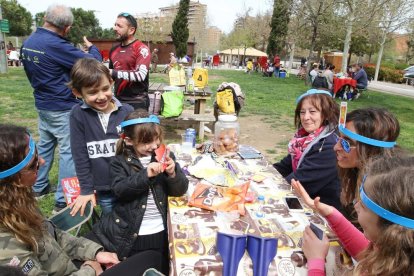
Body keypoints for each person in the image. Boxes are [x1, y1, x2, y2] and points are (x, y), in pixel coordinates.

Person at [0, 124, 164, 275]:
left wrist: (95, 253)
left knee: (151, 257)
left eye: (37, 154)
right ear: (13, 180)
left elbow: (53, 235)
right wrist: (89, 269)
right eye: (33, 164)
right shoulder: (6, 251)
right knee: (152, 259)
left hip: (68, 264)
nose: (42, 161)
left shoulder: (17, 201)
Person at [20, 4, 102, 213]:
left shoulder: (30, 41)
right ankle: (61, 199)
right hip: (62, 106)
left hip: (43, 103)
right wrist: (92, 49)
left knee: (45, 146)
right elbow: (92, 63)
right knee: (70, 151)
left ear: (45, 18)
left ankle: (38, 187)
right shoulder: (56, 45)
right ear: (66, 28)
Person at [87, 110, 189, 274]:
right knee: (137, 267)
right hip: (134, 233)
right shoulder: (118, 162)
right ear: (128, 141)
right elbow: (120, 190)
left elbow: (180, 190)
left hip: (160, 230)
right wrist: (145, 174)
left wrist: (173, 173)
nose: (154, 145)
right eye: (147, 141)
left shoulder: (164, 156)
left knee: (159, 265)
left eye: (157, 138)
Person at [293, 154, 414, 275]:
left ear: (388, 225)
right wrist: (332, 214)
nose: (356, 206)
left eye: (363, 206)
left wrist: (316, 262)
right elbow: (366, 252)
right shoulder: (397, 255)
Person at [68, 58, 134, 216]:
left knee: (134, 219)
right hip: (104, 188)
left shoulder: (127, 111)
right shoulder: (78, 115)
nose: (101, 96)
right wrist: (86, 189)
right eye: (92, 92)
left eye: (105, 89)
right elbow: (80, 155)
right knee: (112, 223)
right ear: (78, 93)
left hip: (129, 183)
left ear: (111, 82)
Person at [273, 89, 341, 209]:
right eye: (302, 112)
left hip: (322, 210)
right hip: (304, 199)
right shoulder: (305, 138)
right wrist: (263, 174)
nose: (305, 117)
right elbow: (286, 165)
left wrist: (268, 186)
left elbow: (297, 184)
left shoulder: (329, 145)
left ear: (326, 114)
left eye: (312, 112)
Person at [335, 107, 400, 225]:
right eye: (338, 138)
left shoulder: (385, 191)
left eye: (347, 143)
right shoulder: (353, 172)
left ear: (372, 149)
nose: (335, 147)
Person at [110, 12, 151, 110]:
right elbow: (111, 77)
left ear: (131, 30)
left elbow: (140, 75)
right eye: (115, 25)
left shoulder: (141, 49)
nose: (115, 28)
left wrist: (112, 72)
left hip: (137, 102)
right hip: (118, 101)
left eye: (119, 26)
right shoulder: (113, 50)